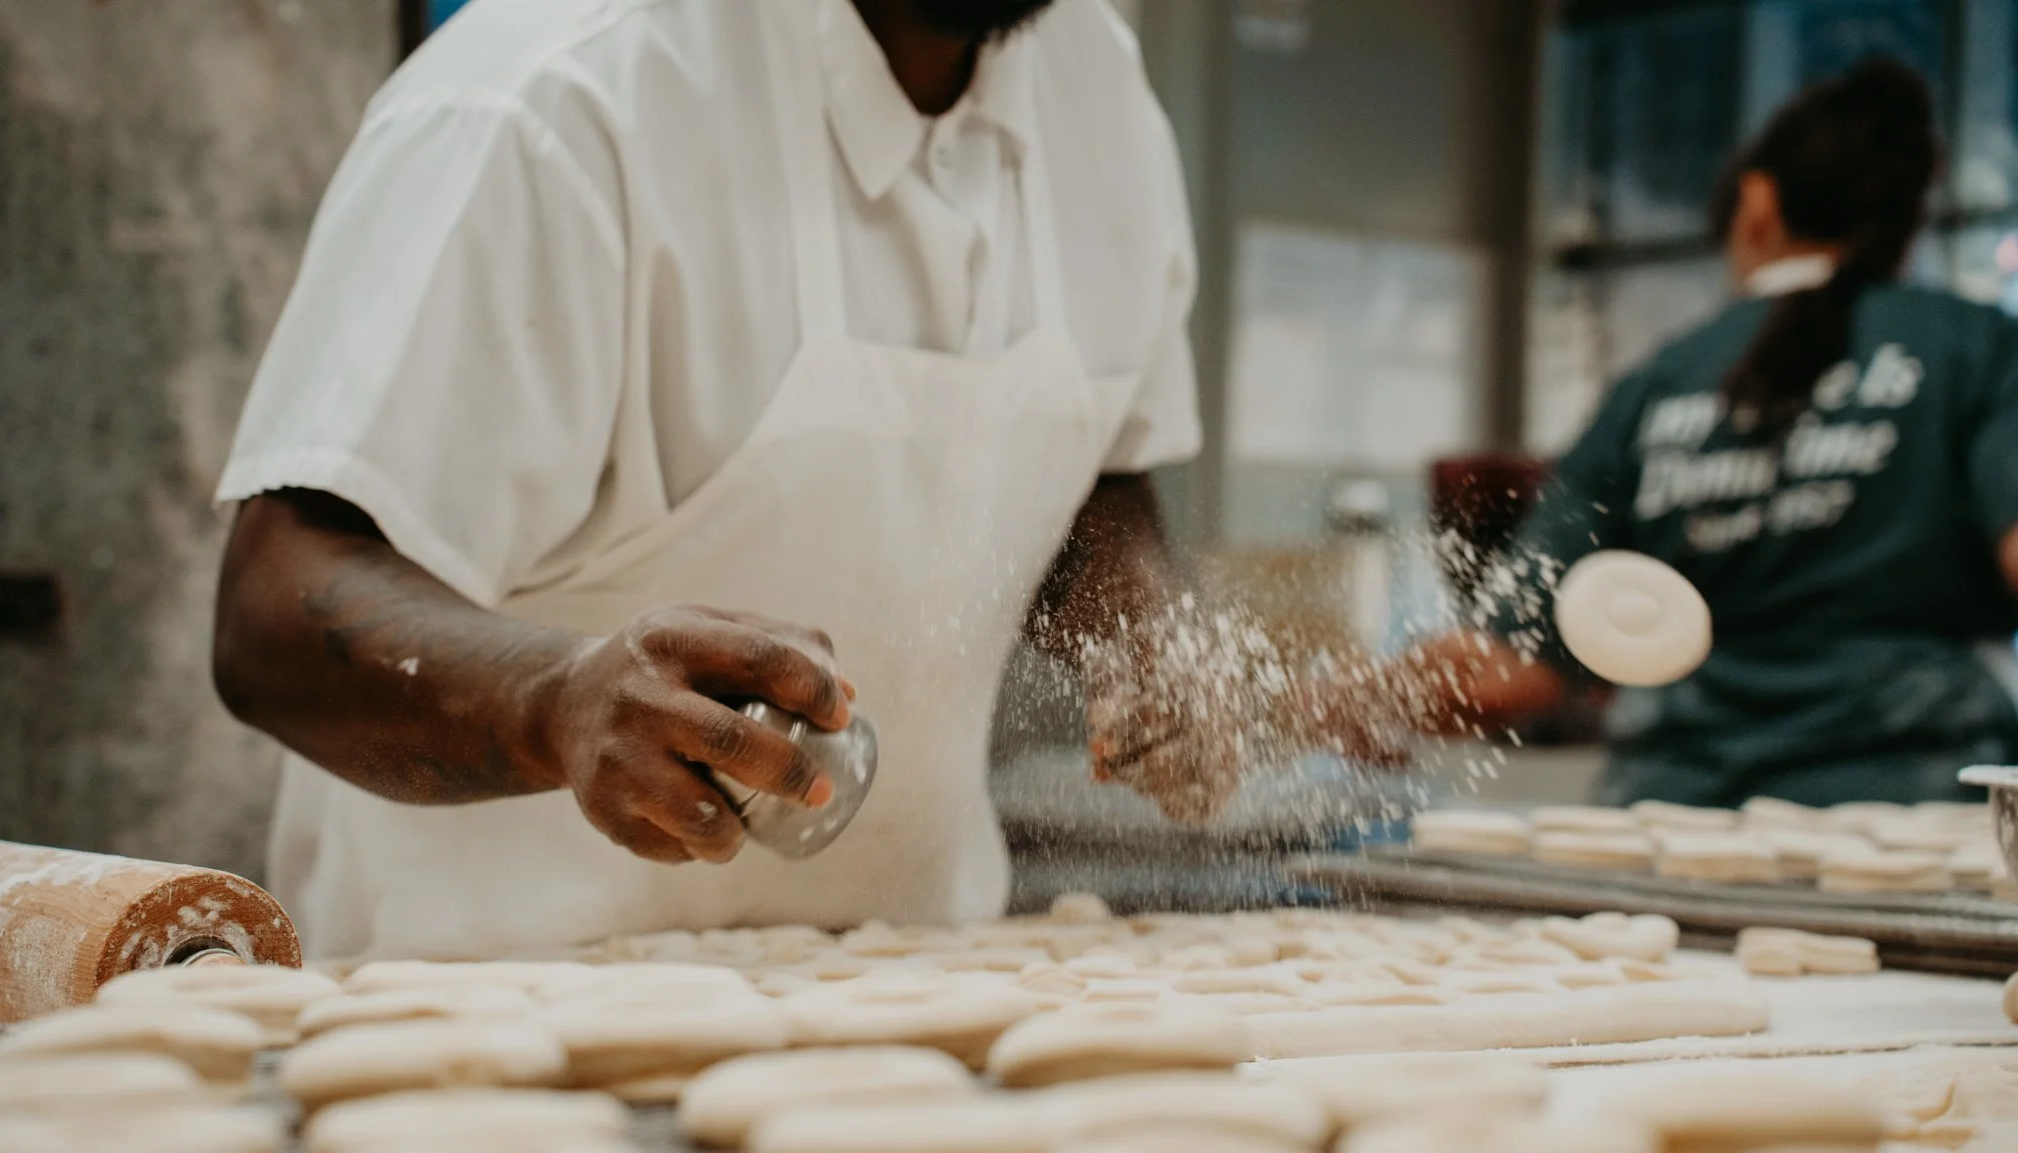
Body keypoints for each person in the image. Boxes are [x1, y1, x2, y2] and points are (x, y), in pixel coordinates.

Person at [211, 0, 1252, 961]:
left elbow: (1097, 470)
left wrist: (1145, 636)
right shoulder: (549, 100)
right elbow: (274, 608)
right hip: (488, 1007)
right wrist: (555, 702)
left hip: (904, 986)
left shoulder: (1098, 95)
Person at [1365, 59, 2018, 809]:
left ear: (1757, 203)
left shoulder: (1655, 385)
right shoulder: (1980, 350)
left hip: (1671, 815)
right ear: (1905, 222)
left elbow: (1510, 670)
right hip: (1918, 808)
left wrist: (1340, 702)